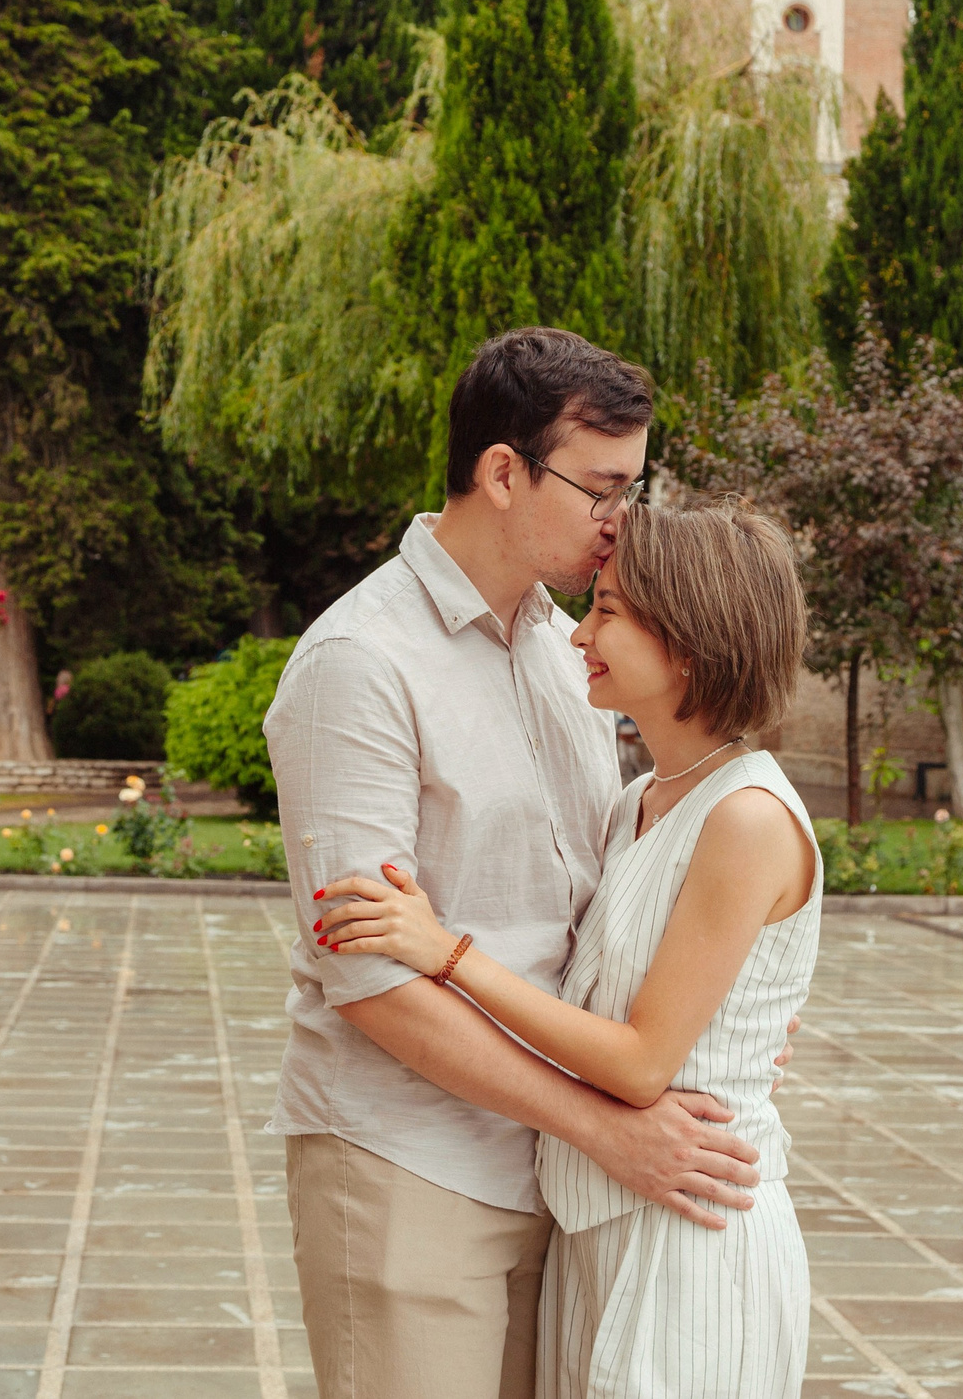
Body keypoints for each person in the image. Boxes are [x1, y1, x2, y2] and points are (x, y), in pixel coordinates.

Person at [267, 329, 774, 1399]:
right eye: (601, 489)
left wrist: (719, 1032)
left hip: (563, 1175)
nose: (620, 523)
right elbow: (369, 977)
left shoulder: (567, 652)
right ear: (503, 472)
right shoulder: (360, 664)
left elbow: (602, 908)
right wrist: (603, 1126)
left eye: (632, 489)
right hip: (411, 1162)